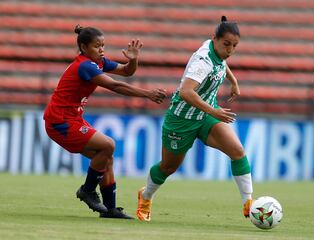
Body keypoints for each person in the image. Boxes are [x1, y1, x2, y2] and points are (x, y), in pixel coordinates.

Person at [136, 16, 253, 222]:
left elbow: (222, 62)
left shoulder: (214, 49)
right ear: (214, 38)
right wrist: (214, 111)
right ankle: (145, 196)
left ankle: (249, 203)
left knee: (237, 151)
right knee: (168, 167)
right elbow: (185, 92)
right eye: (227, 44)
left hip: (205, 115)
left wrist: (233, 81)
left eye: (235, 46)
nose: (230, 50)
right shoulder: (203, 61)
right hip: (182, 119)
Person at [43, 25, 166, 219]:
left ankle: (110, 210)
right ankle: (87, 190)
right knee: (108, 145)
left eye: (103, 45)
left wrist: (133, 60)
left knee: (105, 156)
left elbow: (126, 72)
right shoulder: (85, 65)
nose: (101, 49)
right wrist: (147, 93)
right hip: (60, 121)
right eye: (96, 46)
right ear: (83, 47)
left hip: (71, 118)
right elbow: (115, 85)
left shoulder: (98, 62)